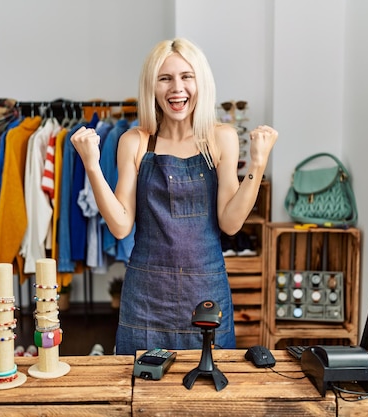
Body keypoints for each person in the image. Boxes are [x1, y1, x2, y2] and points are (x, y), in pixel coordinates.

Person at [71, 38, 277, 355]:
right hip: (145, 298)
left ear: (200, 82)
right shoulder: (136, 141)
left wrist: (258, 164)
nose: (176, 88)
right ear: (152, 87)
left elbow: (231, 223)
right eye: (165, 78)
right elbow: (121, 226)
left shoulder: (221, 138)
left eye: (186, 77)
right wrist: (92, 166)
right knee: (140, 392)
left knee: (208, 394)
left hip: (206, 292)